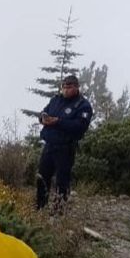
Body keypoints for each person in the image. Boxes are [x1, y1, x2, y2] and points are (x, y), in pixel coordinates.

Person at [36, 74, 93, 210]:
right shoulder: (56, 100)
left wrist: (58, 121)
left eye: (69, 87)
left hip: (66, 148)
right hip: (49, 145)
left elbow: (80, 126)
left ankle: (60, 210)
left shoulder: (83, 105)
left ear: (77, 87)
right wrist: (43, 118)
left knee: (62, 180)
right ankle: (40, 207)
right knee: (42, 177)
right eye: (64, 87)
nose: (66, 90)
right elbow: (44, 112)